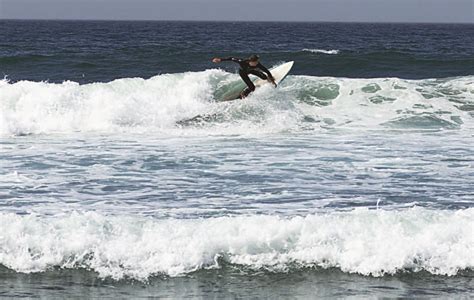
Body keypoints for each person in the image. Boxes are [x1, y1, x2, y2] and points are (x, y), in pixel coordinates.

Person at [212, 54, 276, 98]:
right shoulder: (242, 61)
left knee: (264, 77)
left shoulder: (257, 64)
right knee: (252, 88)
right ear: (251, 61)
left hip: (250, 70)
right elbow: (231, 58)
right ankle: (243, 94)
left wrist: (272, 80)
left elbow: (266, 71)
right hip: (243, 73)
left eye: (257, 61)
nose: (257, 63)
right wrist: (220, 59)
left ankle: (269, 79)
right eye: (256, 62)